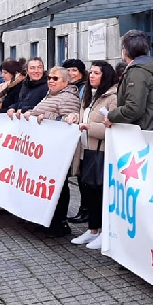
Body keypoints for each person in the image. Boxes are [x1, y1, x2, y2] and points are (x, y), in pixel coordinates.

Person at [66, 61, 119, 249]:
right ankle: (93, 229)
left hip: (101, 150)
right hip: (85, 149)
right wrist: (73, 117)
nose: (92, 76)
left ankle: (104, 231)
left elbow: (112, 128)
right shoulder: (89, 95)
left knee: (99, 192)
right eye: (92, 72)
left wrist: (90, 128)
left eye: (97, 73)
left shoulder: (112, 97)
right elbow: (83, 116)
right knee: (87, 191)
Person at [24, 66, 81, 237]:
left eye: (55, 78)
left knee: (59, 187)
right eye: (49, 77)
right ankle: (47, 220)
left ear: (65, 82)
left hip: (57, 150)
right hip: (44, 149)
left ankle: (59, 223)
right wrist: (29, 114)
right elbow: (40, 112)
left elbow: (68, 121)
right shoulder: (51, 95)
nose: (50, 80)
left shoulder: (68, 98)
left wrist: (46, 118)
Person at [105, 30, 153, 130]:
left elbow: (134, 108)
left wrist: (111, 116)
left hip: (144, 134)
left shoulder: (137, 72)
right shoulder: (147, 68)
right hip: (152, 130)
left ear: (125, 50)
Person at [62, 58, 89, 224]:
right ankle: (82, 209)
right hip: (73, 135)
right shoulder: (68, 88)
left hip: (82, 135)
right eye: (68, 71)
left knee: (82, 175)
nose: (71, 74)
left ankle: (85, 210)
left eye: (74, 70)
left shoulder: (83, 88)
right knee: (78, 174)